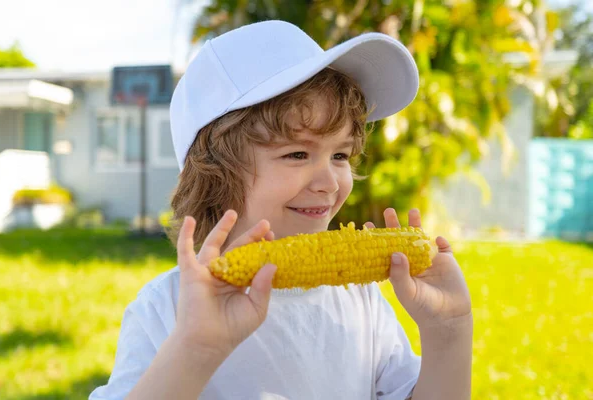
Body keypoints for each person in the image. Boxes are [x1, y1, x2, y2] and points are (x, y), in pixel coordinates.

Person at [90, 20, 472, 400]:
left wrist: (449, 331)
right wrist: (194, 349)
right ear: (216, 174)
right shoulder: (167, 310)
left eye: (341, 154)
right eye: (297, 154)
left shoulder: (360, 299)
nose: (331, 181)